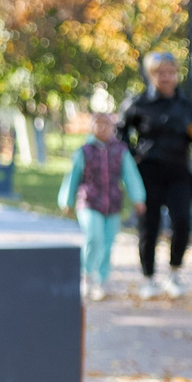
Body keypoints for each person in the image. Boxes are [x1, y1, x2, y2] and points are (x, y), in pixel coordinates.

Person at [119, 51, 192, 298]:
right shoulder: (139, 103)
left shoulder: (187, 105)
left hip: (179, 171)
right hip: (149, 171)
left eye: (170, 72)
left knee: (182, 222)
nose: (166, 77)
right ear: (151, 75)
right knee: (149, 226)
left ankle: (174, 273)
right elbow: (120, 132)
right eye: (160, 73)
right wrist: (133, 154)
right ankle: (148, 277)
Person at [59, 110, 144, 303]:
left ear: (113, 127)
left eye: (107, 124)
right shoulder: (84, 151)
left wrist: (138, 198)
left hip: (112, 204)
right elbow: (73, 176)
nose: (103, 128)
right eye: (99, 123)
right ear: (92, 126)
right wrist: (67, 200)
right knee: (93, 237)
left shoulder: (120, 151)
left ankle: (101, 279)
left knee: (107, 243)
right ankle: (87, 274)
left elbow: (130, 175)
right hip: (89, 202)